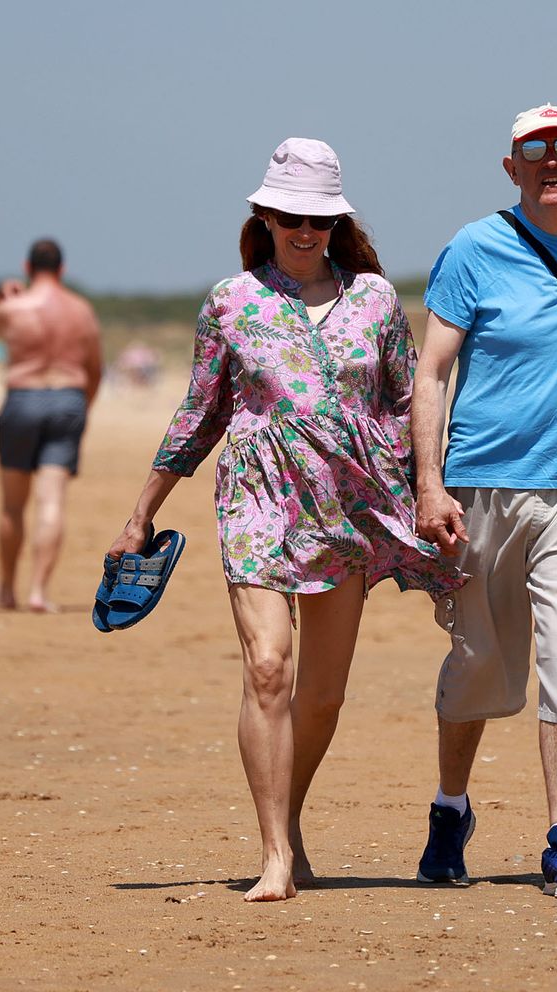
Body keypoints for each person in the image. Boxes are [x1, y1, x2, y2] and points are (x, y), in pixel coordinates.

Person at [107, 138, 463, 901]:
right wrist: (141, 514)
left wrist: (429, 492)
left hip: (349, 507)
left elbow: (408, 404)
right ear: (264, 216)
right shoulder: (230, 302)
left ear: (337, 223)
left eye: (320, 220)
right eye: (292, 217)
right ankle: (275, 854)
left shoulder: (375, 299)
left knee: (324, 697)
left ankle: (288, 820)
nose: (306, 231)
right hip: (258, 497)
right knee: (269, 667)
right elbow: (199, 414)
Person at [410, 104, 557, 899]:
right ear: (511, 168)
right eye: (534, 151)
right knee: (480, 660)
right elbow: (432, 372)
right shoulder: (474, 248)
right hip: (482, 483)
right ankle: (450, 810)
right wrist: (429, 483)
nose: (551, 161)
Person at [0, 238, 103, 613]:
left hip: (23, 398)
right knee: (52, 501)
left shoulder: (14, 306)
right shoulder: (81, 310)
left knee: (13, 506)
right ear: (62, 270)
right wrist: (82, 406)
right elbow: (95, 368)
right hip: (68, 399)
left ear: (27, 268)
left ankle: (6, 588)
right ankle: (38, 592)